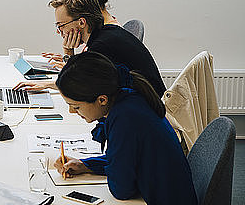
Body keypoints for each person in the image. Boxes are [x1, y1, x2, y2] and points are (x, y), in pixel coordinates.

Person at [51, 52, 197, 204]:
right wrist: (85, 165)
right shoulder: (129, 99)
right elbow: (126, 159)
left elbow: (121, 189)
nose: (72, 112)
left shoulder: (124, 118)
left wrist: (109, 168)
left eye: (76, 107)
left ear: (102, 99)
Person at [15, 0, 166, 98]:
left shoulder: (102, 46)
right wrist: (48, 84)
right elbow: (83, 79)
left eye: (61, 26)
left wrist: (68, 52)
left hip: (147, 114)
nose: (58, 32)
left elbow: (82, 86)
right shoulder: (107, 33)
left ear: (81, 22)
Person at [43, 0, 119, 67]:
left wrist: (69, 61)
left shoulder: (103, 41)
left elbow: (89, 78)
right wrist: (69, 58)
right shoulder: (105, 31)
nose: (59, 31)